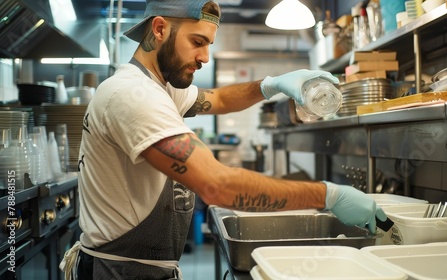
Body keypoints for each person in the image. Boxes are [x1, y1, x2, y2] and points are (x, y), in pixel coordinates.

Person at [59, 0, 387, 279]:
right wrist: (327, 195)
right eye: (197, 41)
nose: (204, 57)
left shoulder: (160, 88)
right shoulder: (133, 94)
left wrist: (271, 85)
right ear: (159, 29)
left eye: (208, 45)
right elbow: (219, 186)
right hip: (117, 272)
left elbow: (218, 98)